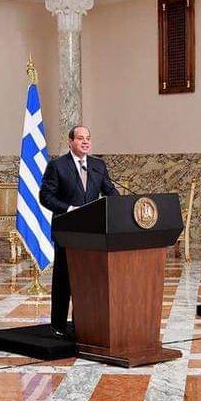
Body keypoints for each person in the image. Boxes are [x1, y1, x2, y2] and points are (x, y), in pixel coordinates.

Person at [40, 125, 119, 338]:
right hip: (67, 231)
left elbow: (109, 190)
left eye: (88, 138)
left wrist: (122, 205)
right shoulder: (57, 166)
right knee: (64, 279)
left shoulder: (98, 165)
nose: (85, 142)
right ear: (70, 141)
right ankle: (58, 325)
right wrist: (68, 209)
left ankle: (82, 323)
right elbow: (45, 196)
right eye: (80, 138)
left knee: (88, 280)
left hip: (92, 233)